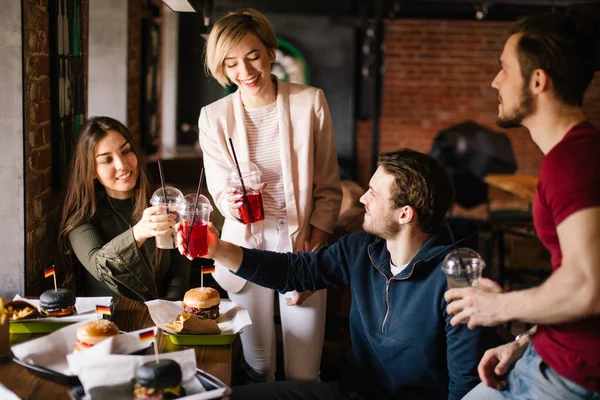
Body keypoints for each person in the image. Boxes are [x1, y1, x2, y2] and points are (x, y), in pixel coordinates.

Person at [179, 149, 487, 400]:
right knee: (222, 398)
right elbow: (292, 270)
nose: (363, 199)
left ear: (404, 214)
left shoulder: (456, 280)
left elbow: (466, 387)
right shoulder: (363, 249)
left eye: (373, 193)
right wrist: (216, 248)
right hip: (350, 393)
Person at [444, 13, 600, 399]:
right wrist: (525, 340)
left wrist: (498, 307)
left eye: (504, 69)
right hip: (545, 353)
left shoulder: (572, 162)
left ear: (537, 81)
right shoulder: (575, 155)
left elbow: (586, 288)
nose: (495, 81)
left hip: (569, 376)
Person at [199, 8, 342, 382]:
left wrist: (318, 240)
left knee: (305, 371)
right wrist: (228, 202)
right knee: (258, 366)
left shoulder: (309, 102)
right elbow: (218, 189)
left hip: (302, 247)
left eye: (252, 57)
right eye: (231, 63)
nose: (244, 72)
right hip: (243, 251)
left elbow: (328, 184)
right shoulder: (213, 117)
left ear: (270, 52)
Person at [58, 116, 190, 301]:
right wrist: (138, 233)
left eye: (126, 151)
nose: (122, 165)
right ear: (91, 170)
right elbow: (99, 267)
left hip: (162, 321)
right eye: (107, 160)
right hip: (107, 322)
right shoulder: (82, 218)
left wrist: (166, 315)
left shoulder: (162, 205)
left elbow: (178, 275)